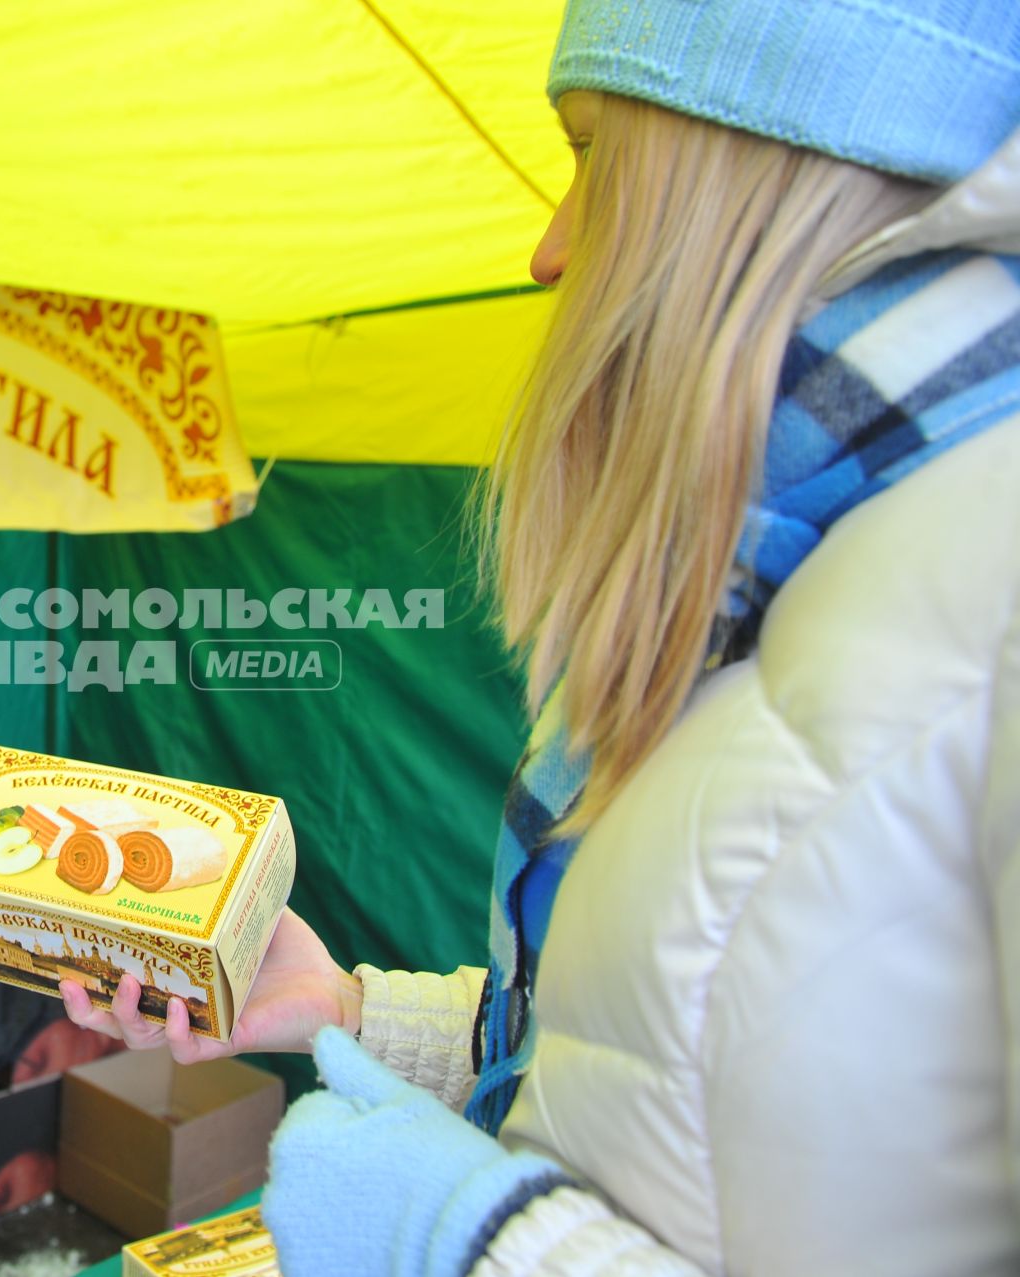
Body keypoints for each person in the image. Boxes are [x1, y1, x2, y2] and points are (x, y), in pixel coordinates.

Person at [63, 1, 1020, 1272]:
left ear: (757, 148)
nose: (548, 250)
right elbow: (670, 1083)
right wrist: (350, 1007)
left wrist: (469, 1233)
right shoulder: (784, 558)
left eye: (587, 153)